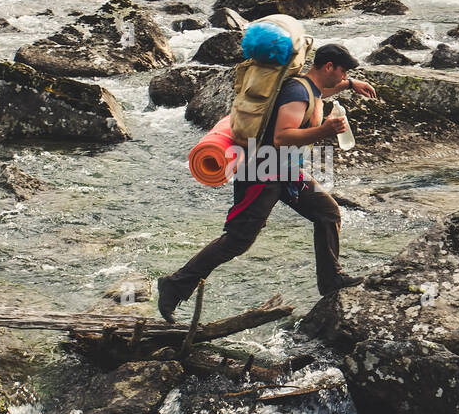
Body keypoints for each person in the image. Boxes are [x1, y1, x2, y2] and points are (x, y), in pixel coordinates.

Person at [158, 42, 378, 321]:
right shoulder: (298, 93)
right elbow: (281, 137)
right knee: (237, 240)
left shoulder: (312, 88)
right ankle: (174, 285)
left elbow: (327, 89)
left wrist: (351, 85)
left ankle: (330, 278)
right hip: (261, 172)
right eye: (344, 71)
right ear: (329, 67)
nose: (345, 76)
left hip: (285, 171)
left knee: (327, 212)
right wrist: (324, 130)